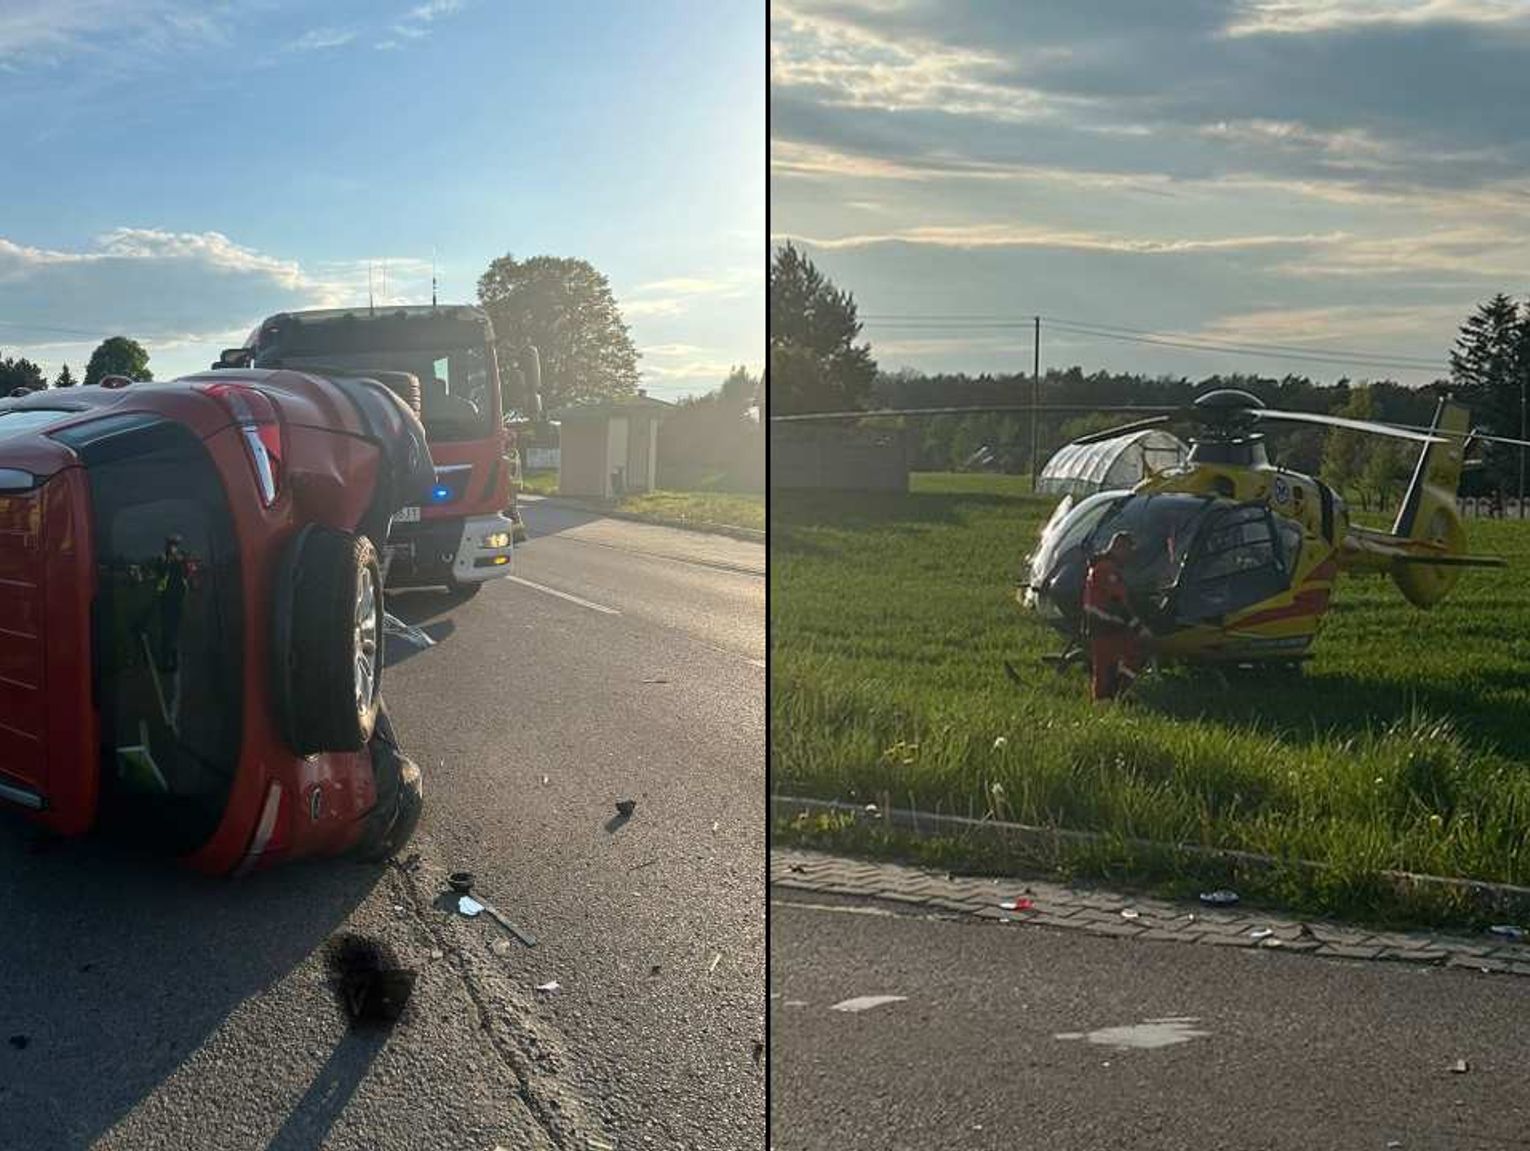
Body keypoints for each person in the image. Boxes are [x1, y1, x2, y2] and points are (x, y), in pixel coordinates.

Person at [1082, 531, 1145, 701]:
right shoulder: (1106, 570)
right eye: (1128, 551)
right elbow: (1118, 600)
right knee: (1105, 667)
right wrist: (1137, 625)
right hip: (1105, 626)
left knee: (1130, 656)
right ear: (1119, 547)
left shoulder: (1104, 566)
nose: (1130, 556)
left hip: (1110, 626)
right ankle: (1106, 699)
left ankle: (1117, 693)